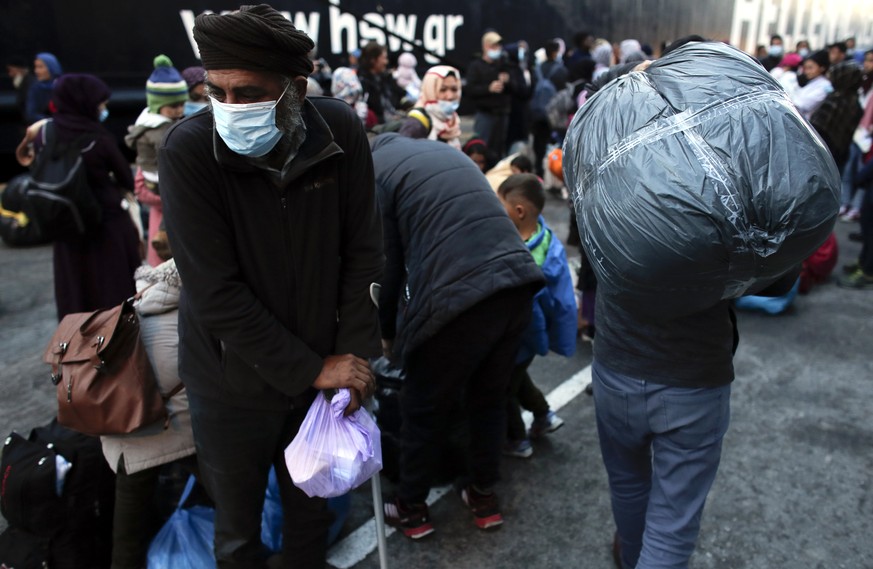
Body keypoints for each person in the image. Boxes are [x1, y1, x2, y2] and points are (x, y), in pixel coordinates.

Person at [158, 6, 382, 568]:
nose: (231, 108)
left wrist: (352, 356)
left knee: (312, 517)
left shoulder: (340, 131)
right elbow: (215, 293)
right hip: (229, 387)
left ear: (295, 89)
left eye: (250, 92)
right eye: (219, 92)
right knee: (237, 532)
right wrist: (311, 367)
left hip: (321, 379)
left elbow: (363, 254)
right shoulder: (188, 150)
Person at [372, 134, 543, 539]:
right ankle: (482, 496)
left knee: (423, 405)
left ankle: (411, 507)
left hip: (460, 298)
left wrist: (388, 335)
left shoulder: (375, 173)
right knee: (489, 398)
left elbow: (388, 267)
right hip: (516, 284)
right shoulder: (441, 153)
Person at [16, 74, 140, 320]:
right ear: (85, 103)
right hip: (106, 223)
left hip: (66, 223)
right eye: (100, 103)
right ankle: (116, 340)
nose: (103, 108)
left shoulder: (45, 133)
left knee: (75, 287)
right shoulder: (98, 137)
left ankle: (77, 344)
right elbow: (127, 178)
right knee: (114, 290)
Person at [100, 258, 197, 569]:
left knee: (128, 533)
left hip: (121, 428)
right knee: (231, 501)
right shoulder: (195, 308)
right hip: (176, 425)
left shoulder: (137, 300)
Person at [496, 174, 575, 458]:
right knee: (518, 378)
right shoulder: (545, 240)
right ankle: (544, 415)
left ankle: (517, 440)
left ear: (519, 212)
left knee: (503, 389)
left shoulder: (526, 257)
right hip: (527, 339)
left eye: (499, 205)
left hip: (519, 335)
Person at [125, 55, 189, 267]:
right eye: (173, 106)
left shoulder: (147, 122)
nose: (179, 111)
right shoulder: (161, 131)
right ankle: (163, 234)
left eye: (182, 105)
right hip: (159, 181)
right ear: (157, 105)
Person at [467, 31, 514, 157]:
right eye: (494, 46)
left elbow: (514, 88)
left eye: (498, 46)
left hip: (501, 114)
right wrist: (488, 88)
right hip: (485, 114)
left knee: (498, 150)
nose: (497, 49)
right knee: (482, 148)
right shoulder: (476, 66)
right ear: (486, 46)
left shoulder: (503, 65)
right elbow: (470, 90)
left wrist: (507, 81)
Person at [397, 65, 463, 147]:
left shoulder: (452, 119)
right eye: (443, 89)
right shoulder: (416, 123)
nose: (450, 96)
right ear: (430, 90)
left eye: (454, 89)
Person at [359, 41, 405, 124]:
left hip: (395, 118)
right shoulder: (362, 83)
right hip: (379, 127)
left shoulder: (386, 78)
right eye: (384, 58)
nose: (386, 62)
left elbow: (400, 96)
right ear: (373, 60)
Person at [791, 50, 832, 119]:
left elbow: (803, 105)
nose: (807, 71)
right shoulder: (812, 82)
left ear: (822, 68)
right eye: (805, 68)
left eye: (810, 68)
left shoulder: (825, 86)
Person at [25, 52, 62, 124]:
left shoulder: (63, 85)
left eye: (40, 67)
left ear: (52, 67)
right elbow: (31, 114)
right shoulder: (35, 88)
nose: (36, 71)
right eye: (35, 67)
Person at [6, 56, 35, 129]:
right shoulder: (23, 83)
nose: (10, 74)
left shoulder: (30, 83)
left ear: (19, 70)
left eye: (11, 70)